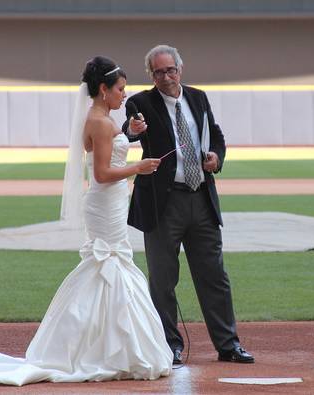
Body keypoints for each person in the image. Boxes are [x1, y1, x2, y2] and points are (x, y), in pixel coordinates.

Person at [0, 56, 173, 386]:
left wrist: (129, 134)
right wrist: (139, 167)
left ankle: (103, 345)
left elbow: (105, 151)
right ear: (104, 89)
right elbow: (103, 172)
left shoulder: (99, 119)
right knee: (109, 264)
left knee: (105, 265)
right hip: (106, 202)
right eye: (121, 89)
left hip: (108, 202)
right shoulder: (102, 122)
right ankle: (111, 349)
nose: (125, 95)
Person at [122, 44, 254, 364]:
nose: (165, 77)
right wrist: (131, 130)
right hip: (163, 205)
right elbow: (130, 130)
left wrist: (216, 157)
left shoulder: (198, 98)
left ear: (181, 69)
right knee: (163, 280)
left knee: (214, 277)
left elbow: (216, 136)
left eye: (170, 70)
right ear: (150, 75)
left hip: (201, 199)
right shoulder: (140, 102)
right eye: (158, 72)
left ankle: (228, 345)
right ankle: (169, 346)